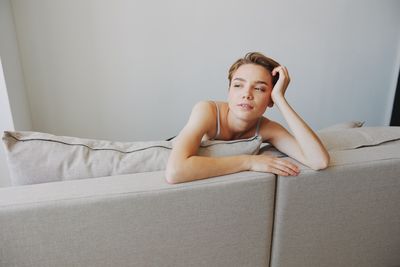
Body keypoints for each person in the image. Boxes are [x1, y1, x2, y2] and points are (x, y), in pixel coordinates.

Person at [166, 52, 329, 184]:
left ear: (270, 99)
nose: (246, 94)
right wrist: (249, 162)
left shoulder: (267, 128)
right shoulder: (206, 111)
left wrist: (280, 98)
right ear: (228, 91)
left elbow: (318, 161)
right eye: (238, 85)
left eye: (259, 88)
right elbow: (175, 171)